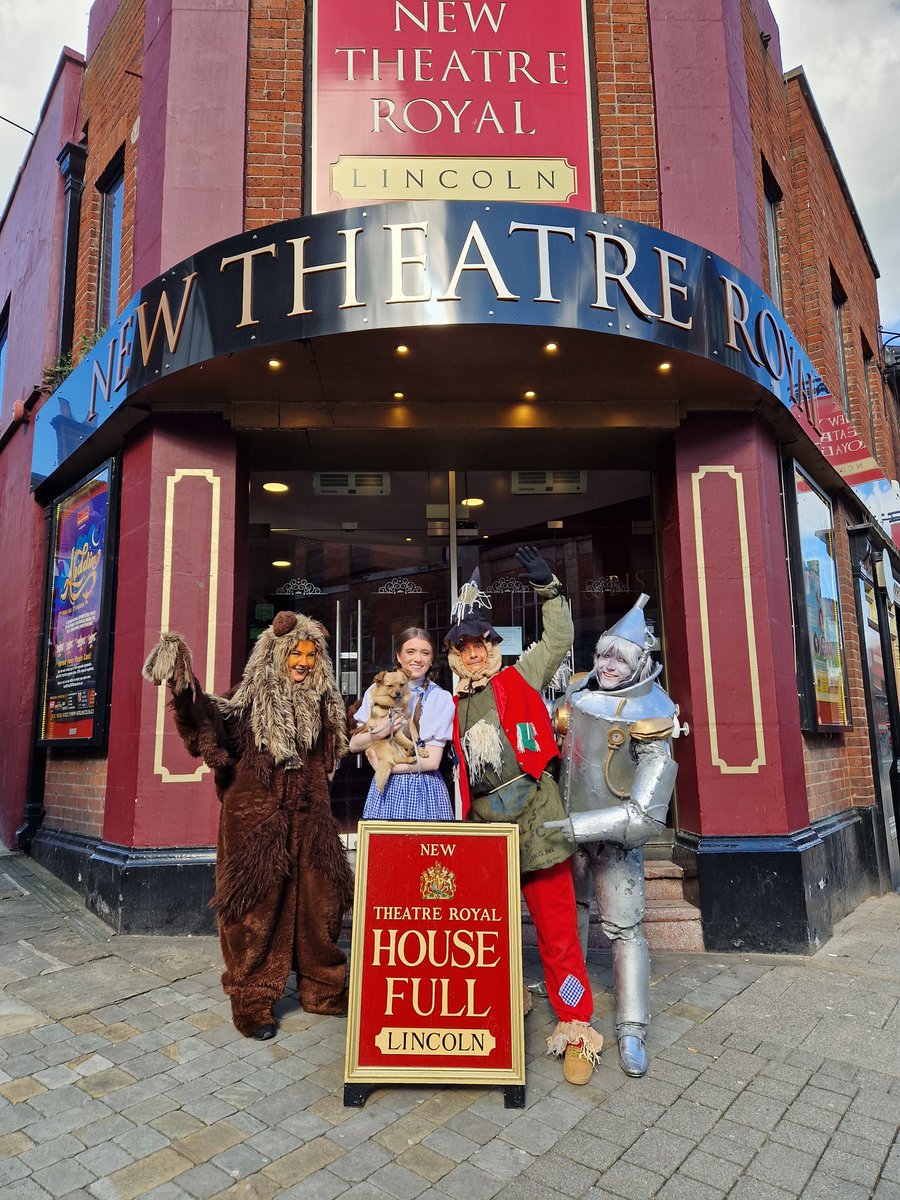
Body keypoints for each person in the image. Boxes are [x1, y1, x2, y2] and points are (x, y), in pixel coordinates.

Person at [142, 611, 353, 1040]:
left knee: (322, 908)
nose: (304, 662)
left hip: (311, 820)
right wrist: (185, 687)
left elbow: (335, 751)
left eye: (312, 655)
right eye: (295, 653)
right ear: (275, 655)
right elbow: (212, 719)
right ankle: (253, 1000)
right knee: (255, 914)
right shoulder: (248, 701)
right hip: (258, 825)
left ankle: (322, 988)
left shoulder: (322, 705)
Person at [446, 546, 603, 1085]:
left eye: (481, 644)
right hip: (484, 830)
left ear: (494, 646)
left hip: (536, 818)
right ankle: (503, 1009)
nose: (473, 655)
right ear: (455, 655)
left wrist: (549, 589)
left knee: (557, 930)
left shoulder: (519, 678)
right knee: (487, 932)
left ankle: (576, 1024)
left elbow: (559, 640)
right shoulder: (453, 704)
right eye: (463, 647)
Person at [546, 594, 678, 1077]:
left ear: (642, 660)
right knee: (571, 912)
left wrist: (580, 825)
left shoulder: (654, 713)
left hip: (613, 837)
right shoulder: (578, 691)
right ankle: (570, 993)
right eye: (602, 655)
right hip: (566, 826)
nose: (606, 665)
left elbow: (646, 813)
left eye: (618, 658)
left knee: (625, 930)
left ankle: (632, 1029)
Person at [349, 627, 455, 820]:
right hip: (385, 791)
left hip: (423, 789)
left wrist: (389, 767)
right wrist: (380, 733)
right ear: (399, 656)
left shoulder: (438, 697)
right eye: (410, 652)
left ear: (431, 660)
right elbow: (354, 745)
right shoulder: (377, 689)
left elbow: (432, 761)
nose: (418, 659)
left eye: (425, 653)